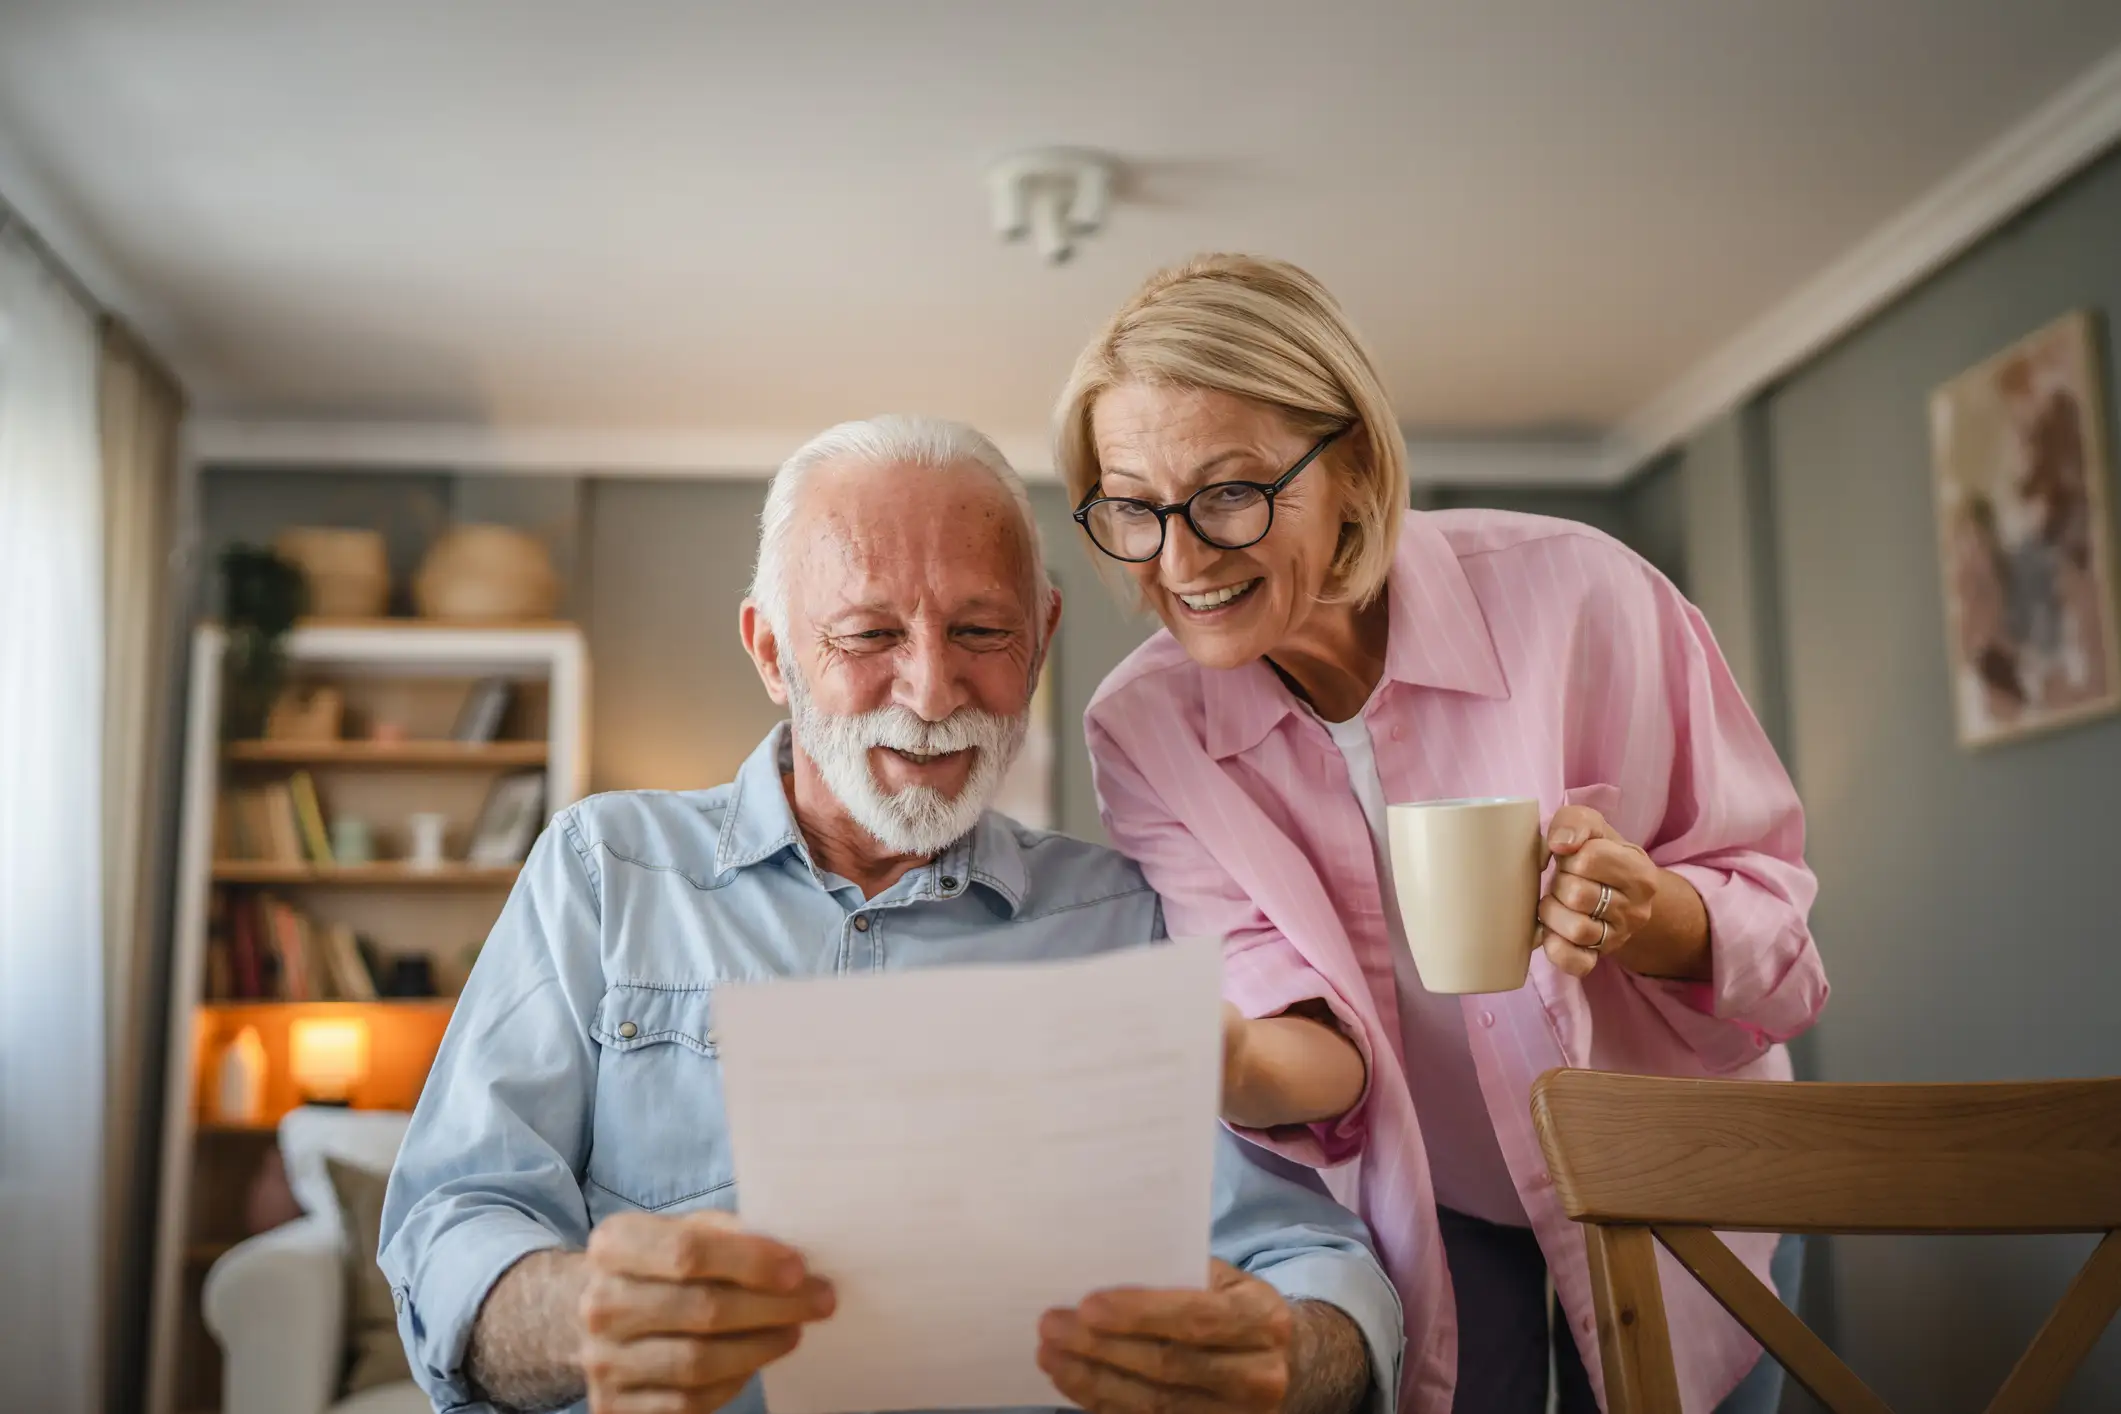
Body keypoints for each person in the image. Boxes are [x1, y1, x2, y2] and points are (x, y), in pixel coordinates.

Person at [377, 414, 1406, 1414]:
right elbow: (456, 1216)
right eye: (870, 633)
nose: (928, 688)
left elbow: (1315, 1258)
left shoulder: (1133, 919)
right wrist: (574, 1313)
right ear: (773, 652)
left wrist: (1289, 1356)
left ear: (1042, 637)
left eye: (980, 630)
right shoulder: (605, 871)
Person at [1059, 256, 1828, 1414]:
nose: (1179, 558)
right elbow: (1313, 1043)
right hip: (1435, 1215)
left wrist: (1646, 913)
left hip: (1679, 1184)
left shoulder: (1582, 599)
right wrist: (1213, 1057)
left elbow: (1778, 931)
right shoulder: (1145, 730)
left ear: (1355, 466)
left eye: (1228, 492)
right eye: (1132, 505)